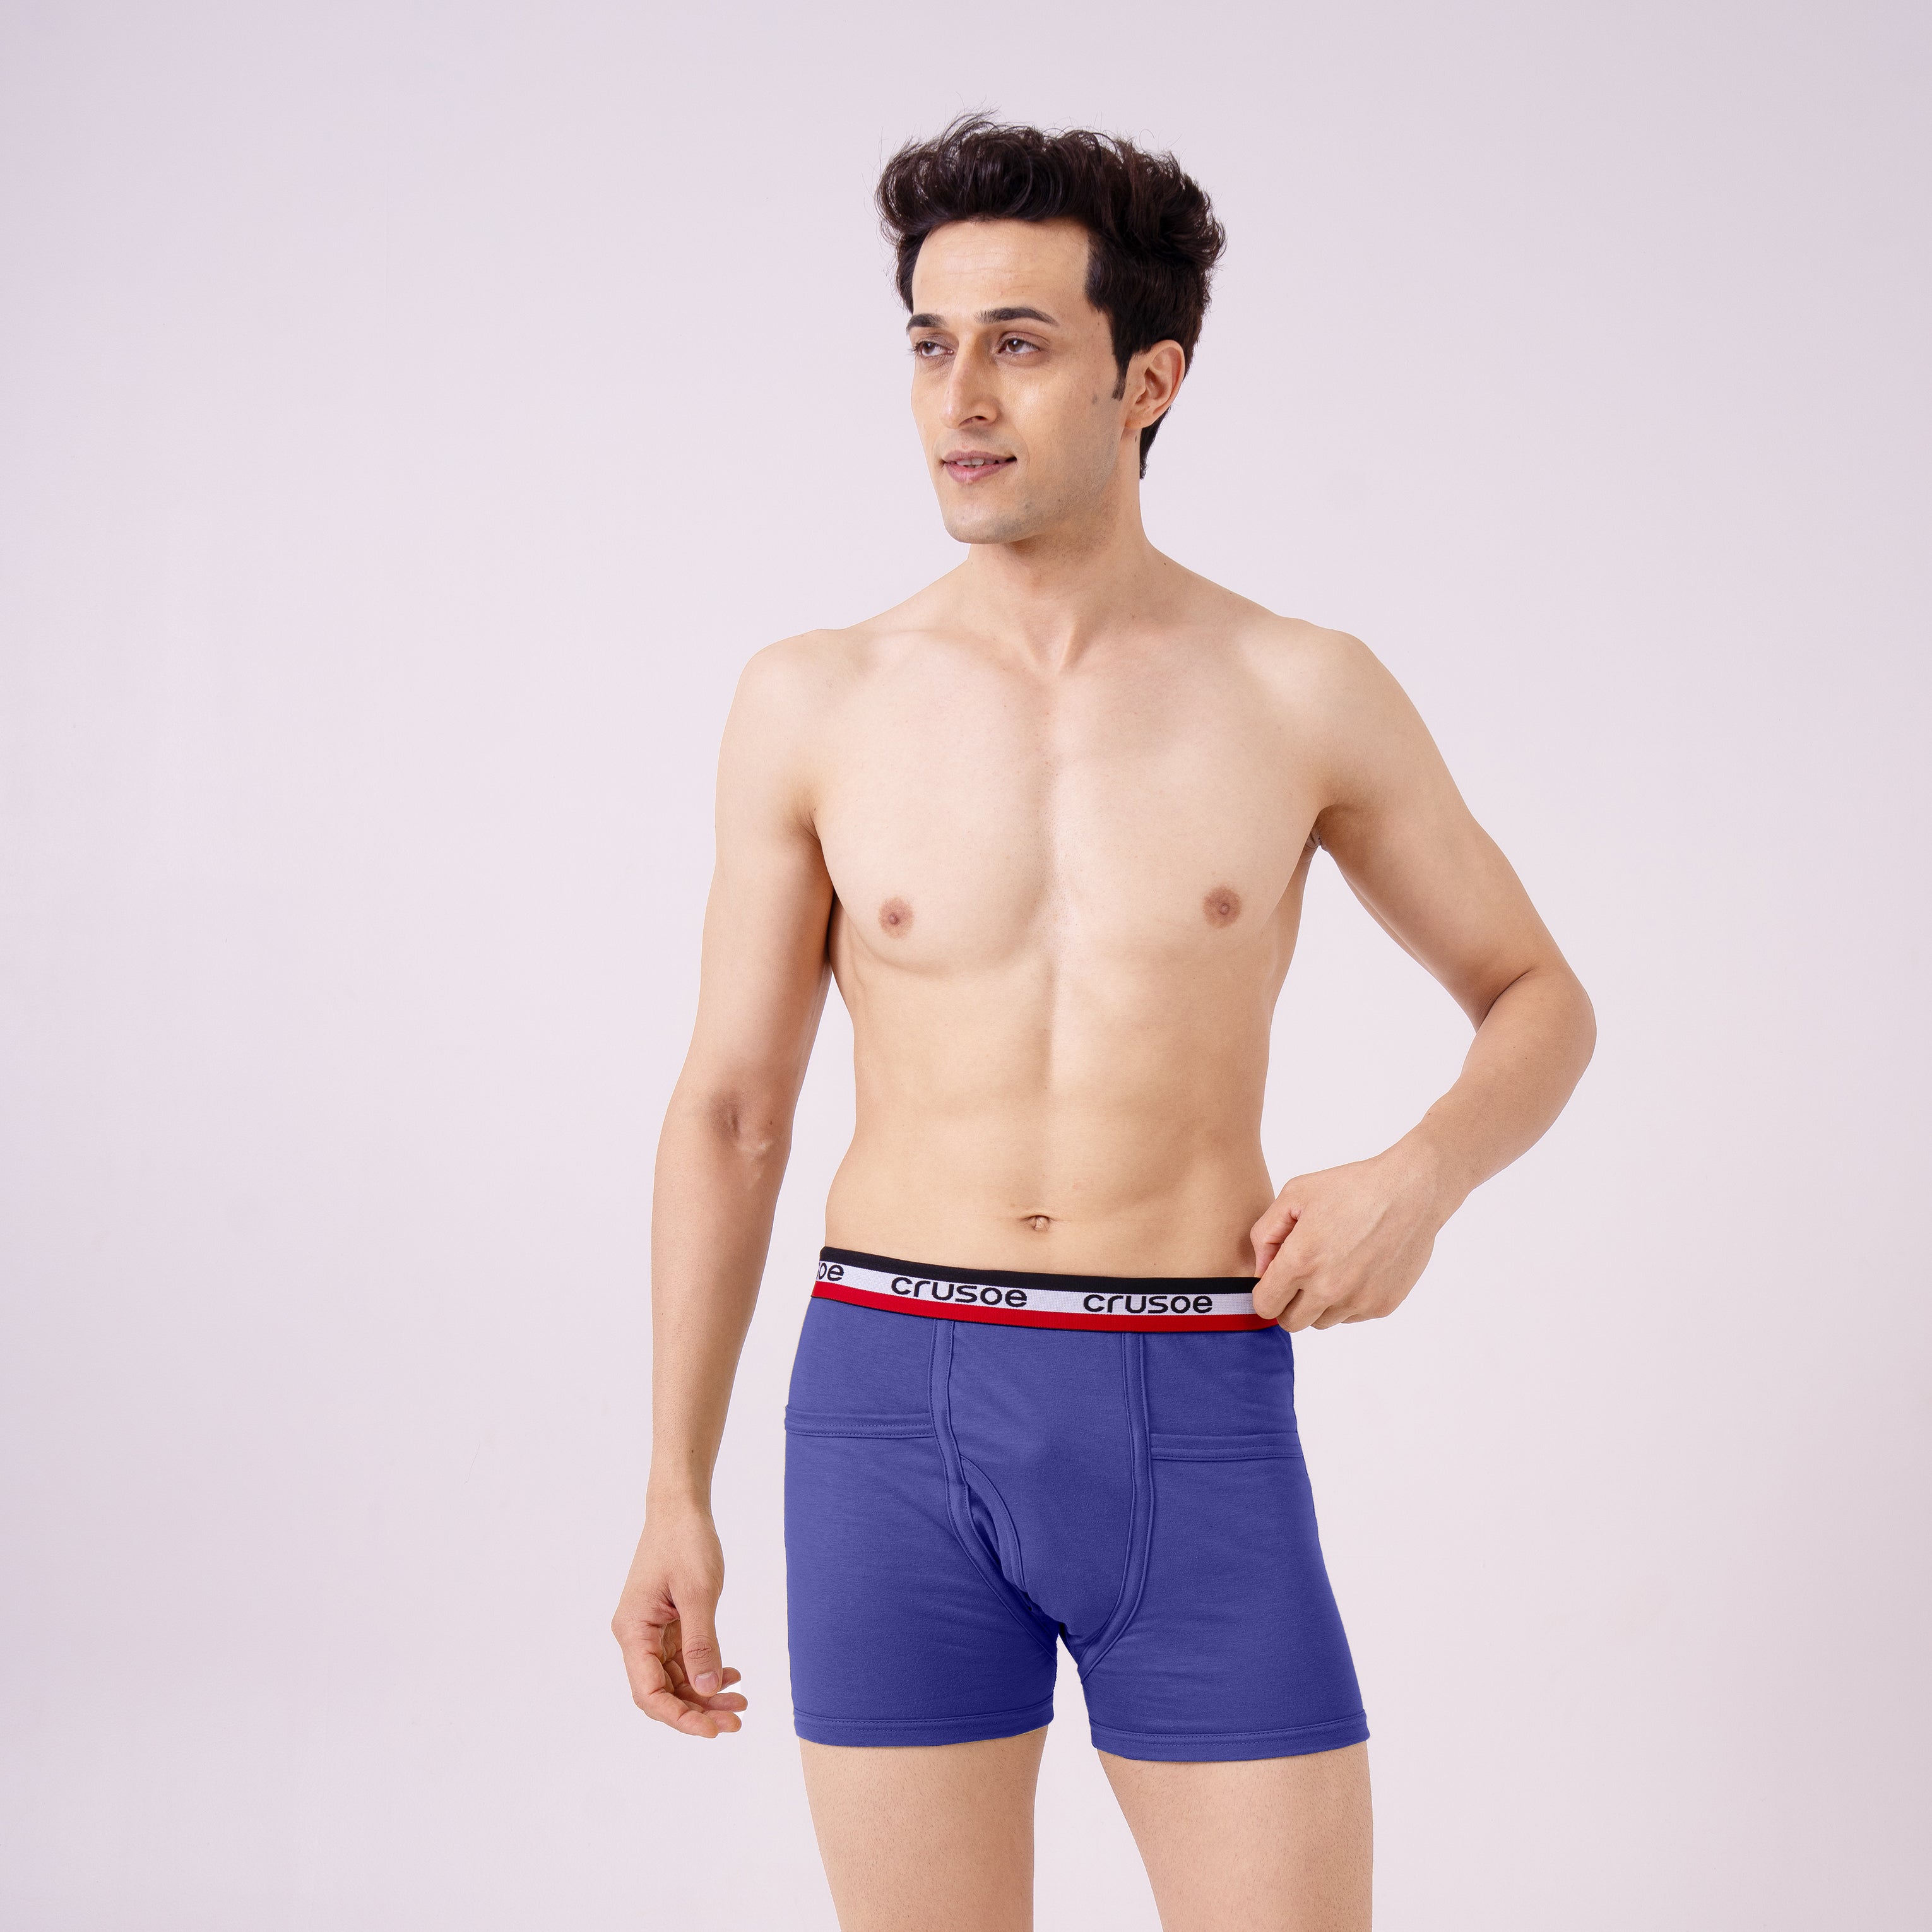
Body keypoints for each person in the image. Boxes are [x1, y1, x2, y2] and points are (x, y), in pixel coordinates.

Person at [612, 114, 1595, 1932]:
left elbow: (1539, 999)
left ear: (1150, 380)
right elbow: (734, 1111)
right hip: (886, 1408)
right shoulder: (814, 700)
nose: (960, 398)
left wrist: (1421, 1177)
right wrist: (674, 1486)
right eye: (930, 343)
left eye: (1020, 343)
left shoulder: (1301, 688)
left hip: (1190, 1397)